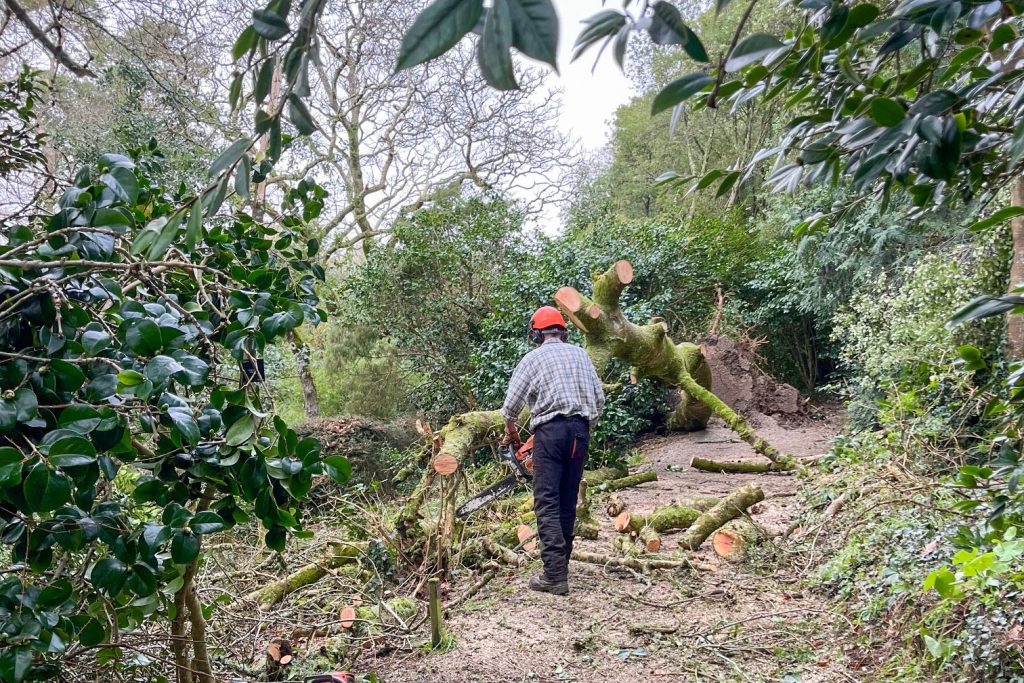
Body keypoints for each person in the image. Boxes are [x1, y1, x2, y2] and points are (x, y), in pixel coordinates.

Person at [500, 305, 605, 596]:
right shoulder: (581, 355)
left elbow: (509, 409)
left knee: (546, 501)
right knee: (567, 499)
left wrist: (513, 435)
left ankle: (554, 575)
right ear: (563, 331)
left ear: (536, 334)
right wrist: (578, 429)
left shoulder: (533, 359)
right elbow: (598, 401)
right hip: (580, 431)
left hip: (550, 432)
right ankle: (562, 565)